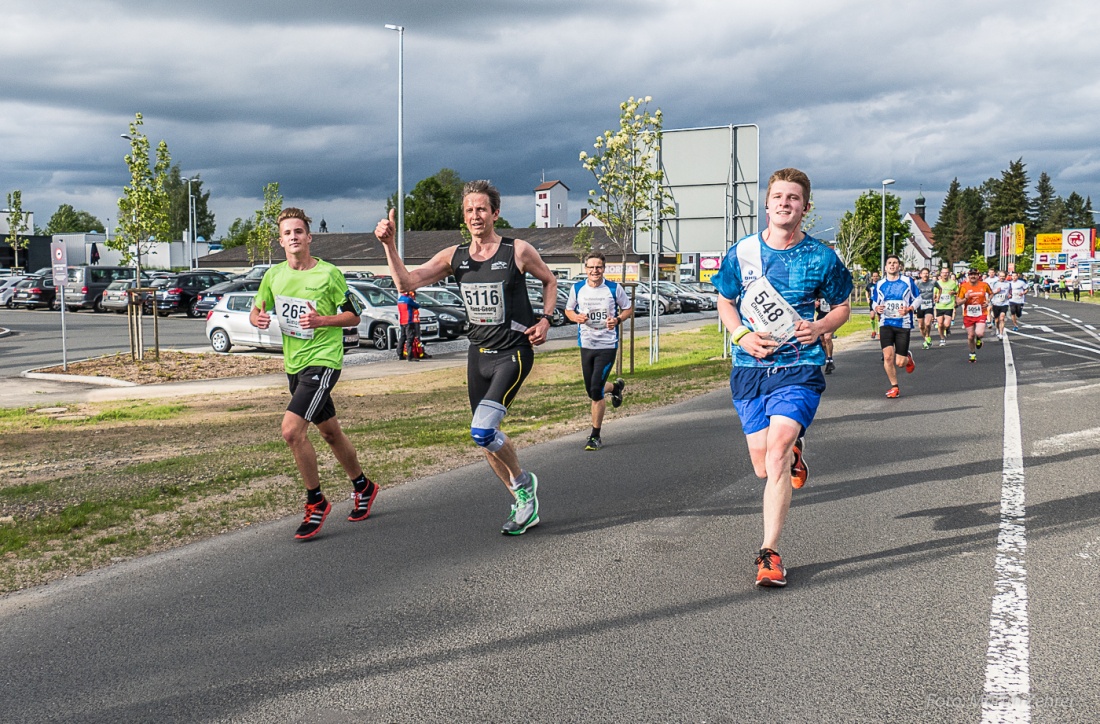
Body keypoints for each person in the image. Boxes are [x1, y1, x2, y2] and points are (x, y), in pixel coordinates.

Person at [374, 180, 558, 535]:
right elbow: (406, 283)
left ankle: (523, 484)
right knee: (484, 439)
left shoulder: (517, 250)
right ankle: (523, 503)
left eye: (482, 209)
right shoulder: (454, 256)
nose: (476, 215)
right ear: (464, 215)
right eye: (470, 210)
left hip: (513, 353)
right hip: (479, 356)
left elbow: (550, 281)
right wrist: (388, 246)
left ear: (495, 213)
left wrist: (547, 320)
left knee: (482, 429)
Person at [711, 168, 853, 588]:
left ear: (804, 208)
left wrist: (822, 325)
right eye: (778, 196)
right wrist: (740, 334)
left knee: (775, 455)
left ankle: (769, 553)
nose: (784, 203)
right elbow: (724, 300)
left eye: (793, 198)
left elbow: (843, 306)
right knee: (762, 466)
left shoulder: (821, 257)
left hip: (799, 367)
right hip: (750, 368)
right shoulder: (743, 252)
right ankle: (794, 450)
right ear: (767, 203)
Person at [250, 208, 378, 540]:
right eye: (287, 233)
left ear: (309, 237)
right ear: (281, 241)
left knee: (292, 432)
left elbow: (353, 315)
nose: (293, 237)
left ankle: (315, 500)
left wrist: (322, 320)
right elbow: (257, 309)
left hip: (323, 361)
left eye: (298, 231)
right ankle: (363, 487)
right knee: (331, 433)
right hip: (294, 364)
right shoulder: (273, 276)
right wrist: (257, 320)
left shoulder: (328, 274)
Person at [564, 251, 632, 450]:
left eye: (599, 267)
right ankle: (615, 388)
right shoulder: (577, 288)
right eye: (591, 267)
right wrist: (575, 317)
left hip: (607, 345)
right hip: (586, 344)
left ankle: (595, 435)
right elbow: (569, 310)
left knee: (595, 390)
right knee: (591, 389)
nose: (595, 271)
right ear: (585, 269)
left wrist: (617, 319)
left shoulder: (613, 288)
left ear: (604, 268)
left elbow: (628, 308)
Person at [870, 255, 919, 398]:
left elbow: (918, 298)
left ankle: (907, 357)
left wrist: (909, 308)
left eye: (895, 263)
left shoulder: (907, 281)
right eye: (889, 263)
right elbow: (874, 301)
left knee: (900, 363)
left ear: (899, 266)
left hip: (903, 324)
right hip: (886, 323)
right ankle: (894, 387)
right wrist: (876, 307)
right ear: (885, 267)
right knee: (888, 357)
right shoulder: (879, 284)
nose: (892, 265)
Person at [955, 268, 994, 363]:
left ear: (978, 276)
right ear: (968, 276)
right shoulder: (963, 286)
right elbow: (958, 302)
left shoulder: (984, 285)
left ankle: (979, 338)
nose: (973, 276)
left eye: (975, 274)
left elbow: (991, 293)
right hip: (968, 314)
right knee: (970, 336)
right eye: (971, 274)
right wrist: (965, 298)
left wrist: (988, 301)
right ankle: (972, 353)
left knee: (980, 333)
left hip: (981, 312)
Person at [933, 267, 958, 347]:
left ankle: (947, 329)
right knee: (940, 324)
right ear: (941, 274)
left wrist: (954, 292)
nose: (945, 274)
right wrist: (935, 298)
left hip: (949, 305)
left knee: (946, 324)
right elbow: (934, 293)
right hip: (940, 305)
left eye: (947, 272)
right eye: (943, 272)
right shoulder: (937, 283)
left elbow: (958, 292)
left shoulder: (953, 283)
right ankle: (942, 339)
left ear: (949, 273)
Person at [914, 267, 937, 349]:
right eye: (924, 273)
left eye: (927, 273)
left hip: (929, 305)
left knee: (927, 323)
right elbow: (912, 292)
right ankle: (925, 340)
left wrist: (937, 297)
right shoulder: (917, 283)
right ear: (920, 275)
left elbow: (940, 288)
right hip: (920, 305)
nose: (925, 275)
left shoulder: (933, 282)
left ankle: (927, 336)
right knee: (921, 326)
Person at [397, 289, 421, 361]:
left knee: (402, 338)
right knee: (410, 339)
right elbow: (417, 306)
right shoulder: (408, 300)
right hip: (409, 321)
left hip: (402, 321)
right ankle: (410, 356)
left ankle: (400, 354)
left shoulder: (399, 300)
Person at [989, 270, 1012, 340]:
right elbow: (990, 293)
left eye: (1003, 276)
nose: (1002, 278)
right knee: (996, 320)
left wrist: (1010, 295)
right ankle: (997, 329)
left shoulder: (1008, 284)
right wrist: (995, 291)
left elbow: (1010, 291)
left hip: (1004, 303)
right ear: (998, 276)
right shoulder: (994, 283)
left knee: (1002, 318)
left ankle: (1001, 334)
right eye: (1001, 276)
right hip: (996, 303)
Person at [815, 298, 836, 373]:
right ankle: (828, 360)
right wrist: (815, 304)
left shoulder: (831, 291)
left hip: (832, 318)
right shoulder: (817, 292)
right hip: (821, 319)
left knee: (827, 337)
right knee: (822, 342)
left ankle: (829, 360)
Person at [865, 271, 880, 339]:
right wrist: (867, 298)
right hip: (872, 301)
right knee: (872, 316)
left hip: (879, 302)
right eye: (874, 276)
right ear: (872, 277)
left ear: (878, 277)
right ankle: (873, 331)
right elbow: (866, 291)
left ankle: (879, 333)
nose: (875, 277)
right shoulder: (870, 285)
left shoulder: (880, 284)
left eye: (876, 276)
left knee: (879, 317)